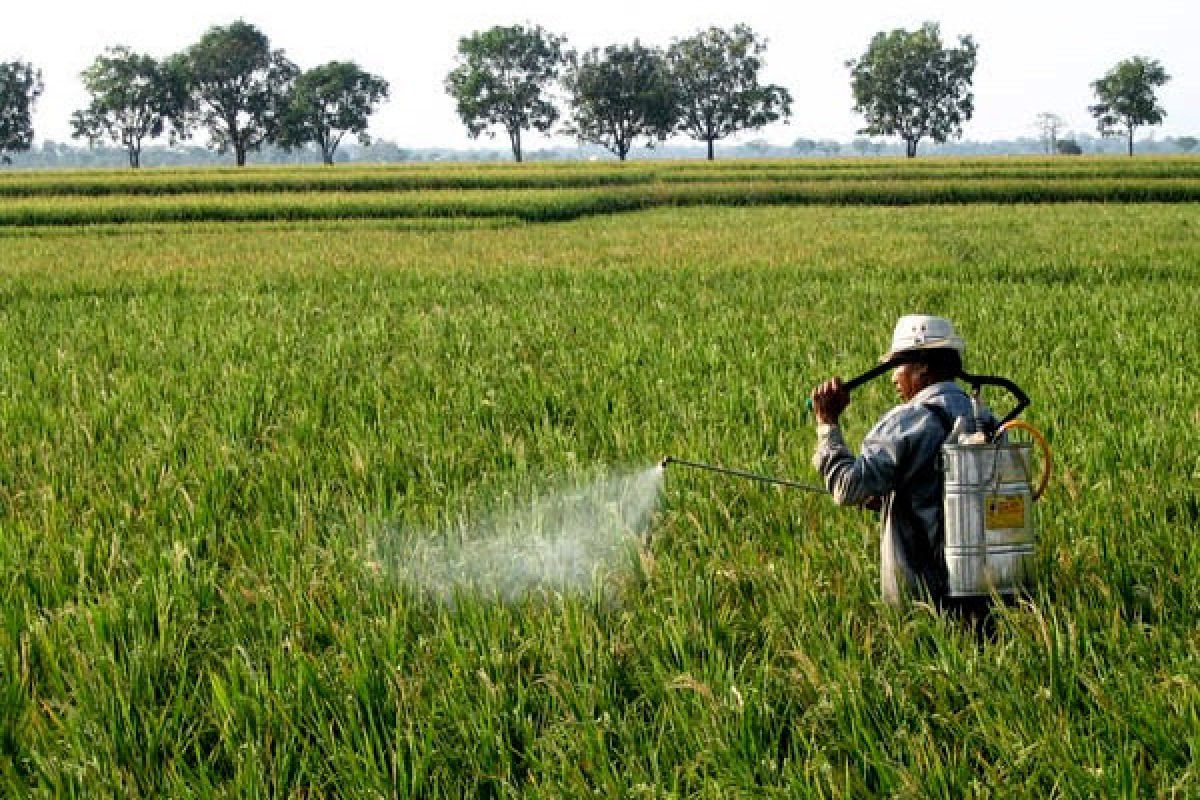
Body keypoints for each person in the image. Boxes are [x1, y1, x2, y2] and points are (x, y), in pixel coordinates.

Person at [810, 315, 982, 610]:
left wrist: (828, 424)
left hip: (923, 602)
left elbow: (846, 487)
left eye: (896, 366)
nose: (893, 377)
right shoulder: (982, 417)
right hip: (983, 590)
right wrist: (892, 499)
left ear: (923, 365)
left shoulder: (906, 421)